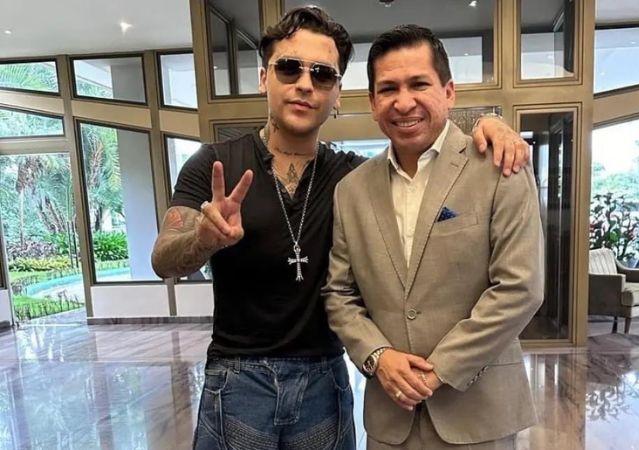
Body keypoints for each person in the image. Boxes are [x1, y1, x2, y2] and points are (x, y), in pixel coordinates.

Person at [150, 7, 530, 450]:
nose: (305, 84)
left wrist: (490, 125)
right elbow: (163, 260)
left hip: (324, 378)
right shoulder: (213, 164)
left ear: (337, 94)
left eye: (322, 74)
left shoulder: (352, 179)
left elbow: (424, 146)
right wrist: (203, 239)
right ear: (264, 78)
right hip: (239, 378)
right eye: (289, 68)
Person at [323, 25, 544, 450]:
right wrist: (378, 357)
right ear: (372, 102)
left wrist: (440, 369)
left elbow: (520, 288)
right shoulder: (351, 190)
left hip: (479, 414)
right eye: (388, 89)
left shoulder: (499, 167)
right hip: (390, 418)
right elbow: (339, 293)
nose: (404, 101)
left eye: (419, 84)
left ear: (448, 92)